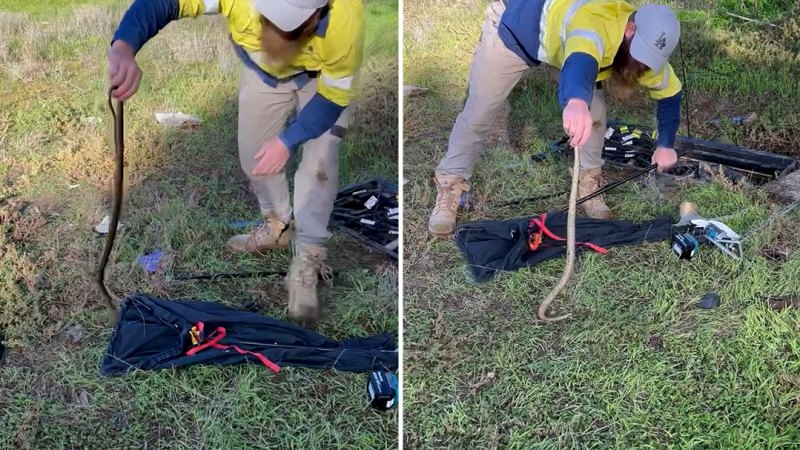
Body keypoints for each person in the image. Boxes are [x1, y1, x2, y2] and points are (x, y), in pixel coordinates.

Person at [107, 0, 364, 320]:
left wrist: (288, 140)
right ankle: (277, 226)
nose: (279, 26)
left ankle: (309, 257)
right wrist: (124, 45)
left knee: (320, 165)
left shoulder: (345, 18)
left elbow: (334, 97)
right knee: (254, 157)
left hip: (320, 81)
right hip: (263, 71)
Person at [428, 0, 683, 235]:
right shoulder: (594, 25)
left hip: (565, 45)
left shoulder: (644, 53)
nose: (641, 65)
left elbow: (670, 93)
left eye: (649, 59)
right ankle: (450, 183)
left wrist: (665, 144)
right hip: (517, 28)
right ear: (630, 29)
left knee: (594, 117)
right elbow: (581, 62)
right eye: (640, 55)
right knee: (481, 109)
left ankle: (589, 182)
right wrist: (575, 102)